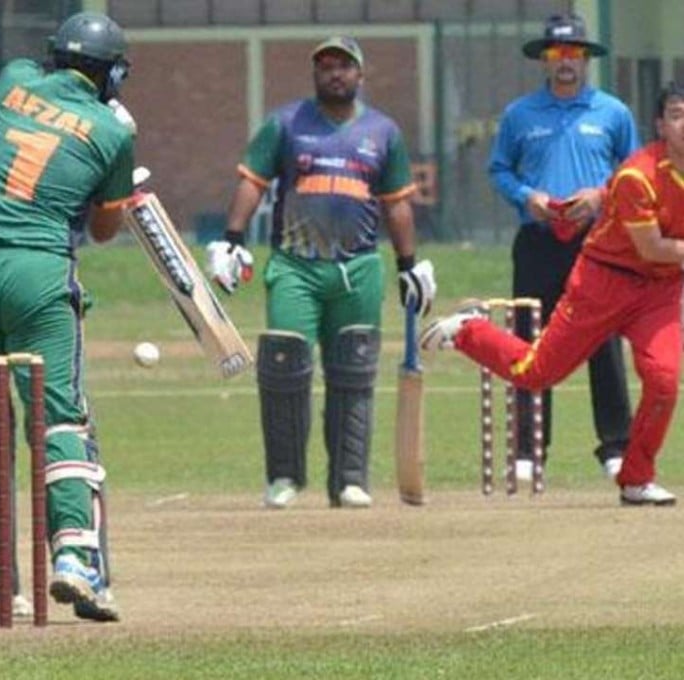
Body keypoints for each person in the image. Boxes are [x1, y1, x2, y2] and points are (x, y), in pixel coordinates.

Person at [0, 11, 135, 622]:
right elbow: (104, 229)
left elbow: (34, 79)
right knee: (59, 418)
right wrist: (117, 159)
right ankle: (75, 556)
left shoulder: (11, 79)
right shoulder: (112, 131)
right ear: (113, 75)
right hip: (39, 274)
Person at [422, 82, 684, 507]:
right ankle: (470, 330)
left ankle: (636, 477)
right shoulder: (639, 175)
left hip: (660, 288)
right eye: (676, 113)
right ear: (659, 124)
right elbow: (651, 247)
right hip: (605, 279)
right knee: (536, 372)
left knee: (664, 380)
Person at [211, 36, 436, 510]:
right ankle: (285, 478)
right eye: (326, 66)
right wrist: (230, 241)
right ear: (316, 74)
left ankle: (350, 479)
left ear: (360, 74)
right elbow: (252, 183)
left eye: (344, 66)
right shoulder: (286, 124)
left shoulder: (382, 131)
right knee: (285, 366)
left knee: (353, 370)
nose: (335, 73)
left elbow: (396, 205)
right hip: (295, 265)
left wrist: (409, 266)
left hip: (357, 266)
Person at [487, 13, 639, 482]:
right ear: (545, 61)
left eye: (574, 53)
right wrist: (525, 196)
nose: (566, 63)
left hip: (597, 242)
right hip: (537, 241)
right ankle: (530, 452)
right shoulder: (520, 114)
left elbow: (634, 173)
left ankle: (615, 445)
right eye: (557, 54)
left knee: (604, 340)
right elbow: (500, 170)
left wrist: (600, 196)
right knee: (531, 340)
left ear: (587, 59)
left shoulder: (611, 112)